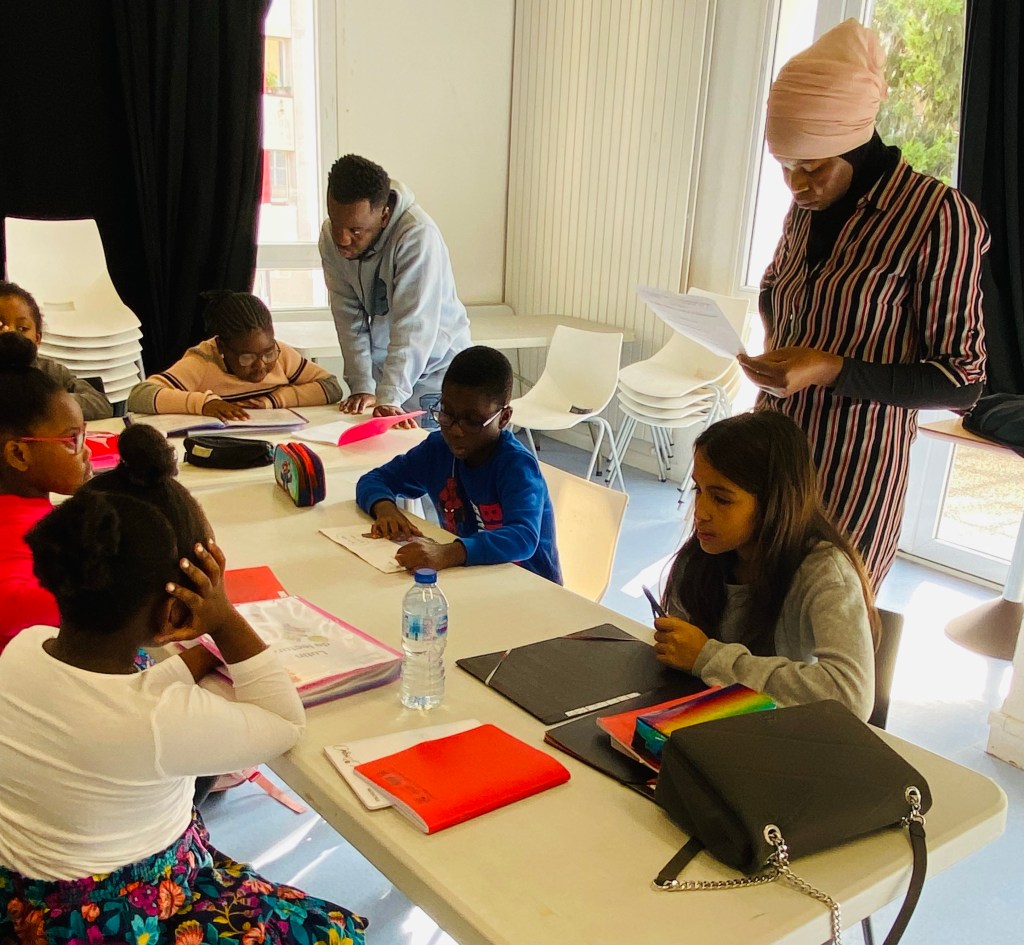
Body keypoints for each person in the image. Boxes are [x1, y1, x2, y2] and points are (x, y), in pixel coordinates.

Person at [0, 434, 368, 944]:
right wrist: (224, 620)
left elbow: (114, 700)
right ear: (174, 611)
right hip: (124, 912)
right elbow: (284, 722)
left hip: (29, 899)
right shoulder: (158, 719)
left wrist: (194, 659)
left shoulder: (25, 648)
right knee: (334, 934)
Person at [737, 19, 989, 588]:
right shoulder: (807, 209)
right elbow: (778, 287)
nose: (797, 185)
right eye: (786, 168)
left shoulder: (937, 217)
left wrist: (830, 367)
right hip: (770, 456)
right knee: (740, 616)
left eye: (813, 167)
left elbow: (963, 379)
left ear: (858, 144)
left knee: (820, 627)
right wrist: (775, 350)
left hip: (851, 477)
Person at [653, 411, 876, 720]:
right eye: (698, 490)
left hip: (784, 733)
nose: (700, 512)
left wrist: (709, 657)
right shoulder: (700, 559)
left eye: (722, 499)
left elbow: (851, 698)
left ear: (774, 501)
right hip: (710, 724)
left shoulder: (826, 573)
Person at [356, 346, 562, 584]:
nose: (455, 430)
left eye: (472, 421)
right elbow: (374, 480)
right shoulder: (438, 449)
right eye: (446, 413)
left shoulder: (516, 466)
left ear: (504, 418)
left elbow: (522, 538)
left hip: (529, 588)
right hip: (468, 580)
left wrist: (449, 553)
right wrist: (385, 509)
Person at [319, 154, 471, 426]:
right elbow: (348, 318)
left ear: (384, 216)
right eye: (336, 223)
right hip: (389, 371)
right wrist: (362, 385)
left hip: (436, 370)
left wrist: (390, 396)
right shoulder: (331, 238)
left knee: (430, 451)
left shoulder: (417, 235)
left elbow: (413, 324)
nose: (342, 238)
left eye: (355, 230)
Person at [0, 332, 93, 650]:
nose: (85, 451)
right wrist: (110, 596)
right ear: (18, 454)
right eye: (71, 439)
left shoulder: (26, 509)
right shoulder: (15, 523)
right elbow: (8, 604)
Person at [126, 290, 343, 417]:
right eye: (247, 358)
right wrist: (204, 404)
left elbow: (331, 387)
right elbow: (140, 396)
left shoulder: (281, 354)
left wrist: (275, 400)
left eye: (268, 354)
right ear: (221, 348)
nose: (261, 365)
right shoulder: (204, 360)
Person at [0, 279, 113, 420]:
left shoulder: (52, 372)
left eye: (22, 328)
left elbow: (100, 405)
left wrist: (49, 401)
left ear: (37, 339)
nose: (10, 332)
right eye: (0, 325)